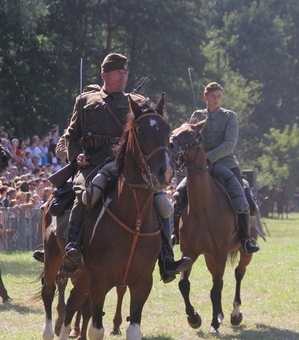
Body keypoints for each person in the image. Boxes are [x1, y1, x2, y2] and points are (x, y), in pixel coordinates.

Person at [41, 53, 190, 282]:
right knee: (84, 196)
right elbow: (71, 137)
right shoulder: (85, 101)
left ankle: (167, 259)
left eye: (125, 73)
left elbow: (151, 128)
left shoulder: (136, 102)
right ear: (104, 75)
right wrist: (76, 155)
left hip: (125, 167)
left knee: (161, 202)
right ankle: (72, 249)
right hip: (91, 165)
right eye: (118, 73)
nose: (123, 77)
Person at [184, 81, 259, 254]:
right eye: (212, 96)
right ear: (205, 97)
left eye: (218, 96)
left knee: (241, 201)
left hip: (226, 165)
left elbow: (229, 145)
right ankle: (176, 234)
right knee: (179, 195)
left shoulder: (229, 116)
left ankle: (245, 239)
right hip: (199, 169)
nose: (216, 100)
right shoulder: (196, 115)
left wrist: (206, 157)